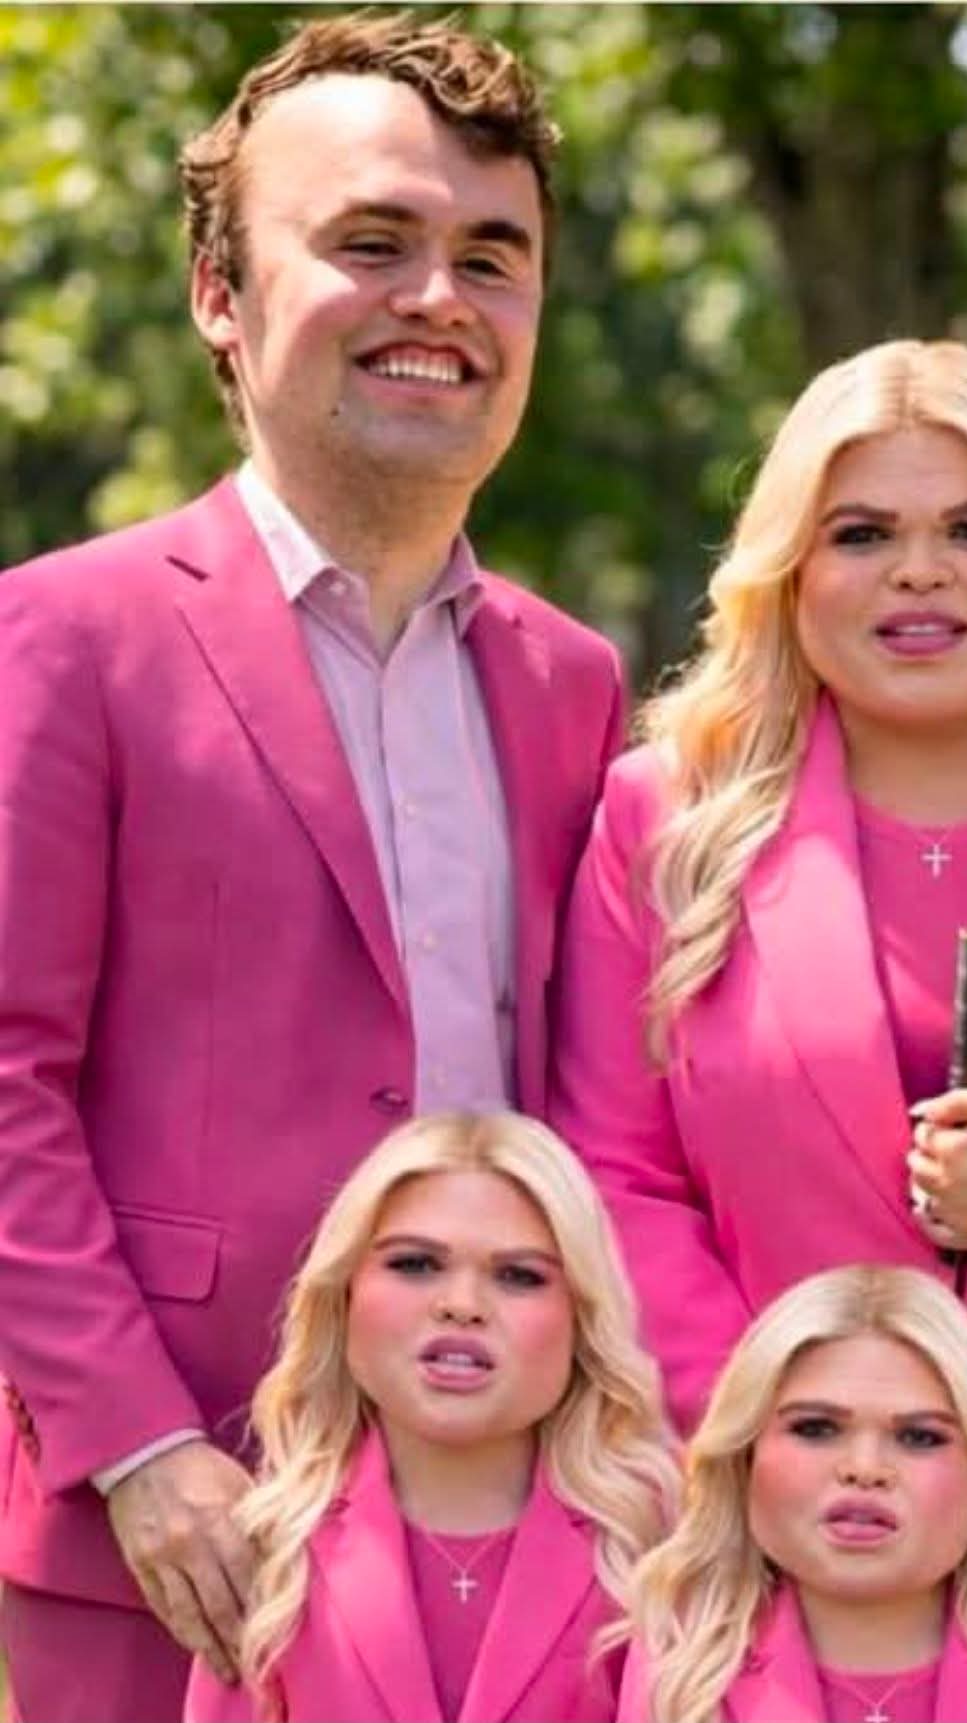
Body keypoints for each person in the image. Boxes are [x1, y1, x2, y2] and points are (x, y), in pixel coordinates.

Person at [0, 14, 625, 1722]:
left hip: (513, 1558)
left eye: (488, 257)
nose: (438, 297)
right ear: (220, 293)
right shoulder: (60, 636)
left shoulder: (573, 684)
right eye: (370, 241)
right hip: (169, 1530)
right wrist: (135, 1445)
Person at [550, 338, 967, 1545]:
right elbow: (615, 1178)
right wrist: (768, 1448)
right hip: (777, 1539)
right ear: (788, 573)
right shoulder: (662, 819)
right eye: (859, 534)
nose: (918, 572)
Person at [183, 1111, 677, 1723]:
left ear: (582, 1320)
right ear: (343, 1297)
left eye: (519, 1276)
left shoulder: (655, 1548)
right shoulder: (269, 1551)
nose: (462, 1305)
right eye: (415, 1264)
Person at [618, 1264, 967, 1723]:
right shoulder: (678, 1668)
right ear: (743, 1456)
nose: (865, 1469)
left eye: (919, 1437)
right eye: (816, 1429)